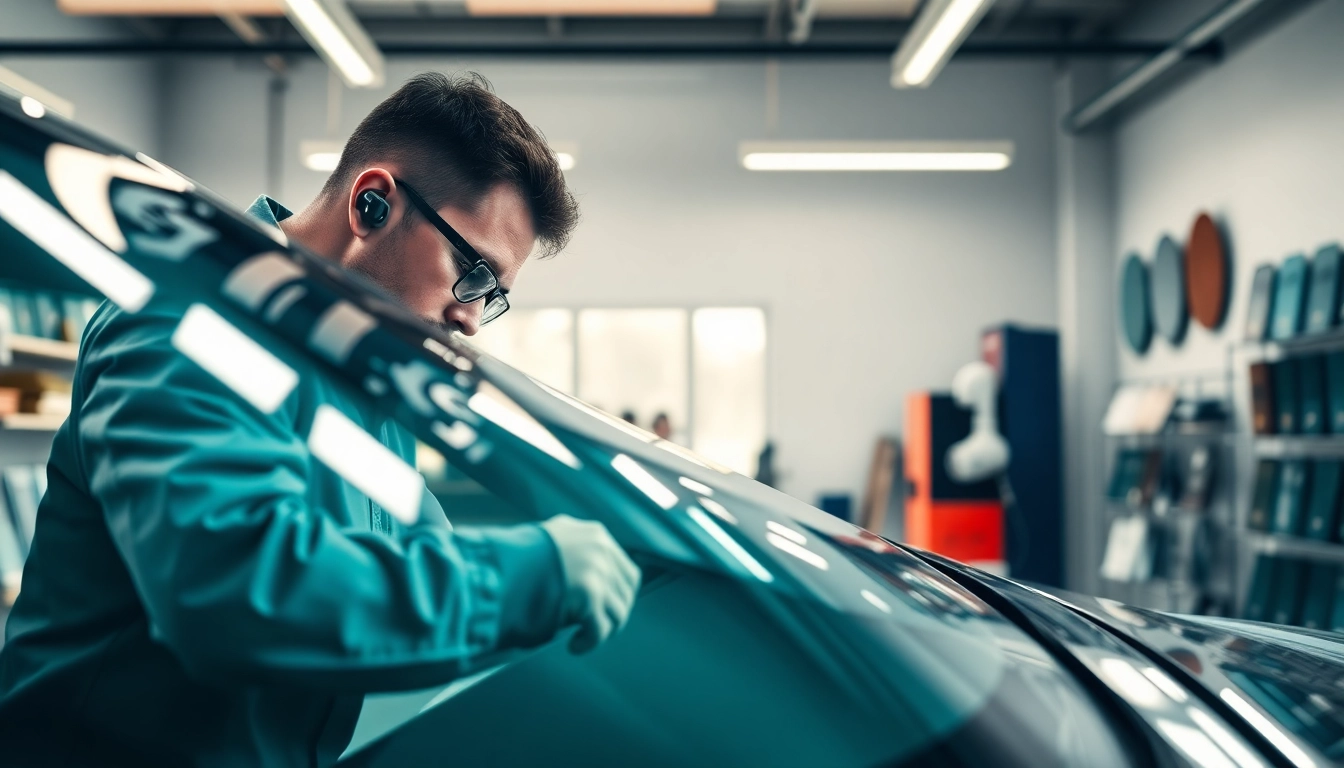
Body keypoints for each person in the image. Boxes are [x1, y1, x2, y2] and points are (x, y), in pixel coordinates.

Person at [0, 72, 641, 767]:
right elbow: (238, 594)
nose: (470, 318)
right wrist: (533, 576)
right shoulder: (188, 321)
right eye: (473, 274)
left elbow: (410, 561)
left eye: (493, 297)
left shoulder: (361, 374)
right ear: (373, 204)